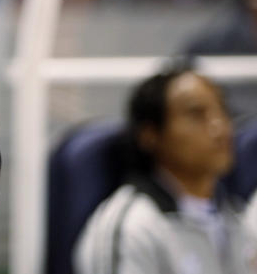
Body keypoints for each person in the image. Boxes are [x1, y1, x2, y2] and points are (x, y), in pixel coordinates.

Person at [73, 69, 257, 274]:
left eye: (222, 111)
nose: (219, 127)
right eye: (196, 114)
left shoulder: (239, 218)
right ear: (150, 135)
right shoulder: (132, 226)